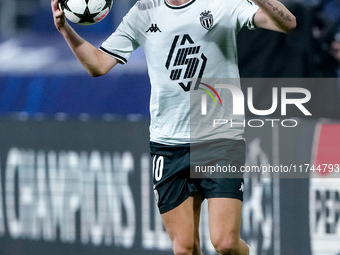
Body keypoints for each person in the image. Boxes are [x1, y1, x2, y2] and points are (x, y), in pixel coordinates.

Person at [51, 0, 296, 254]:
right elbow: (99, 64)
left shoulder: (222, 4)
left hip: (220, 139)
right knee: (185, 248)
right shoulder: (143, 12)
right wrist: (64, 29)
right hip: (168, 146)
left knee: (224, 243)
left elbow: (288, 24)